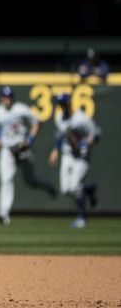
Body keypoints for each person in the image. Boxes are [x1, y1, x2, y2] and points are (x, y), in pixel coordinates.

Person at [0, 86, 56, 226]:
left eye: (8, 97)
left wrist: (29, 141)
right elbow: (1, 126)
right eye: (4, 97)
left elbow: (37, 123)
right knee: (6, 179)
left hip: (22, 149)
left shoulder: (21, 109)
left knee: (31, 181)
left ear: (12, 98)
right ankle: (3, 213)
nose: (6, 99)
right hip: (8, 150)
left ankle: (47, 185)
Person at [49, 92, 100, 229]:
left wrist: (86, 143)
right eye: (60, 104)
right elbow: (61, 135)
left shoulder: (82, 119)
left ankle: (82, 218)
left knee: (76, 185)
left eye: (64, 103)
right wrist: (55, 150)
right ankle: (89, 190)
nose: (62, 106)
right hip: (67, 155)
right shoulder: (60, 118)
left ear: (70, 103)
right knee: (66, 189)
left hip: (81, 156)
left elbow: (96, 135)